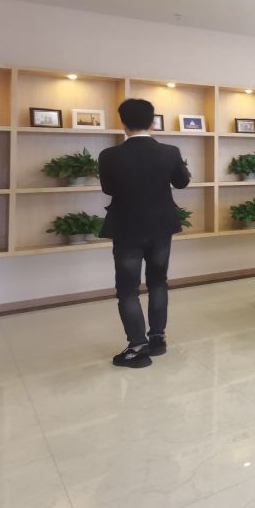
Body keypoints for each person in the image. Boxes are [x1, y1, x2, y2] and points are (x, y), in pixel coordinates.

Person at [99, 98, 191, 368]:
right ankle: (158, 339)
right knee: (158, 282)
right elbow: (182, 182)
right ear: (153, 123)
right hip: (161, 227)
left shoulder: (108, 155)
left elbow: (108, 189)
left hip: (126, 227)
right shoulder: (170, 152)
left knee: (128, 289)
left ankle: (137, 346)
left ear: (123, 124)